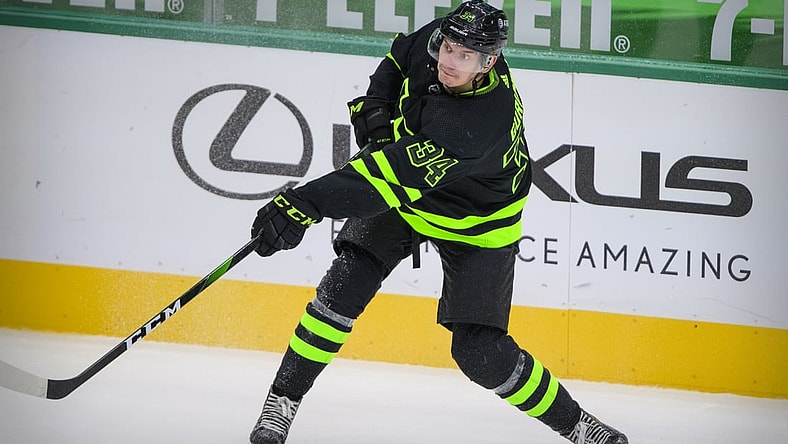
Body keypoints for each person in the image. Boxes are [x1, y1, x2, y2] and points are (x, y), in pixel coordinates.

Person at [247, 1, 628, 443]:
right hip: (411, 192)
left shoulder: (477, 124)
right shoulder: (443, 40)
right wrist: (377, 107)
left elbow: (383, 183)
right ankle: (282, 402)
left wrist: (301, 204)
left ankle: (579, 425)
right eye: (447, 48)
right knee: (342, 289)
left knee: (481, 354)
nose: (447, 60)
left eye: (464, 56)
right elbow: (395, 60)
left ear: (490, 62)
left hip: (478, 222)